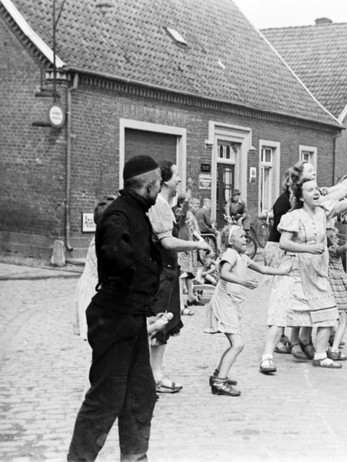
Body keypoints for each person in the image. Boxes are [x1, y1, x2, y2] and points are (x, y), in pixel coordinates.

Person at [67, 155, 162, 461]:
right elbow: (115, 256)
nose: (160, 190)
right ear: (148, 186)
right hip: (115, 317)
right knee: (106, 397)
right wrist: (132, 286)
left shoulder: (136, 211)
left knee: (141, 393)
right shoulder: (118, 215)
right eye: (159, 184)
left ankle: (135, 456)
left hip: (130, 316)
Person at [259, 172, 347, 373]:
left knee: (329, 314)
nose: (315, 191)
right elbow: (284, 243)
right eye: (310, 189)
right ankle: (267, 357)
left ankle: (321, 355)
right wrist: (307, 249)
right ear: (301, 196)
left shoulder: (324, 211)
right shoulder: (292, 217)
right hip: (294, 272)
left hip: (317, 273)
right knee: (280, 315)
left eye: (316, 188)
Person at [147, 160, 211, 394]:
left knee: (162, 326)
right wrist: (197, 244)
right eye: (176, 176)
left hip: (169, 273)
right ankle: (150, 378)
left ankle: (156, 375)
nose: (180, 180)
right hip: (160, 274)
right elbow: (168, 242)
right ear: (164, 180)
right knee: (156, 325)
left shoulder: (166, 204)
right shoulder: (159, 206)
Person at [207, 225, 291, 396]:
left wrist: (282, 272)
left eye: (245, 236)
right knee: (238, 345)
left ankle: (218, 374)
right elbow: (223, 273)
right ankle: (219, 382)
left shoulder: (242, 256)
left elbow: (262, 269)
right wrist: (243, 281)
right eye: (241, 236)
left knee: (234, 343)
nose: (245, 239)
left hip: (232, 304)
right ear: (230, 241)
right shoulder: (230, 254)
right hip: (224, 304)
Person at [73, 195, 115, 341]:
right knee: (102, 338)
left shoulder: (100, 236)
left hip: (93, 288)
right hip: (94, 292)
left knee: (102, 340)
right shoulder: (103, 242)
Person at [326, 220, 347, 361]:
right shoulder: (332, 250)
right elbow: (345, 247)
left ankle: (327, 346)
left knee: (331, 320)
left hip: (331, 286)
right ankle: (334, 349)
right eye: (334, 237)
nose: (337, 239)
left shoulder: (324, 251)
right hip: (337, 288)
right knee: (343, 321)